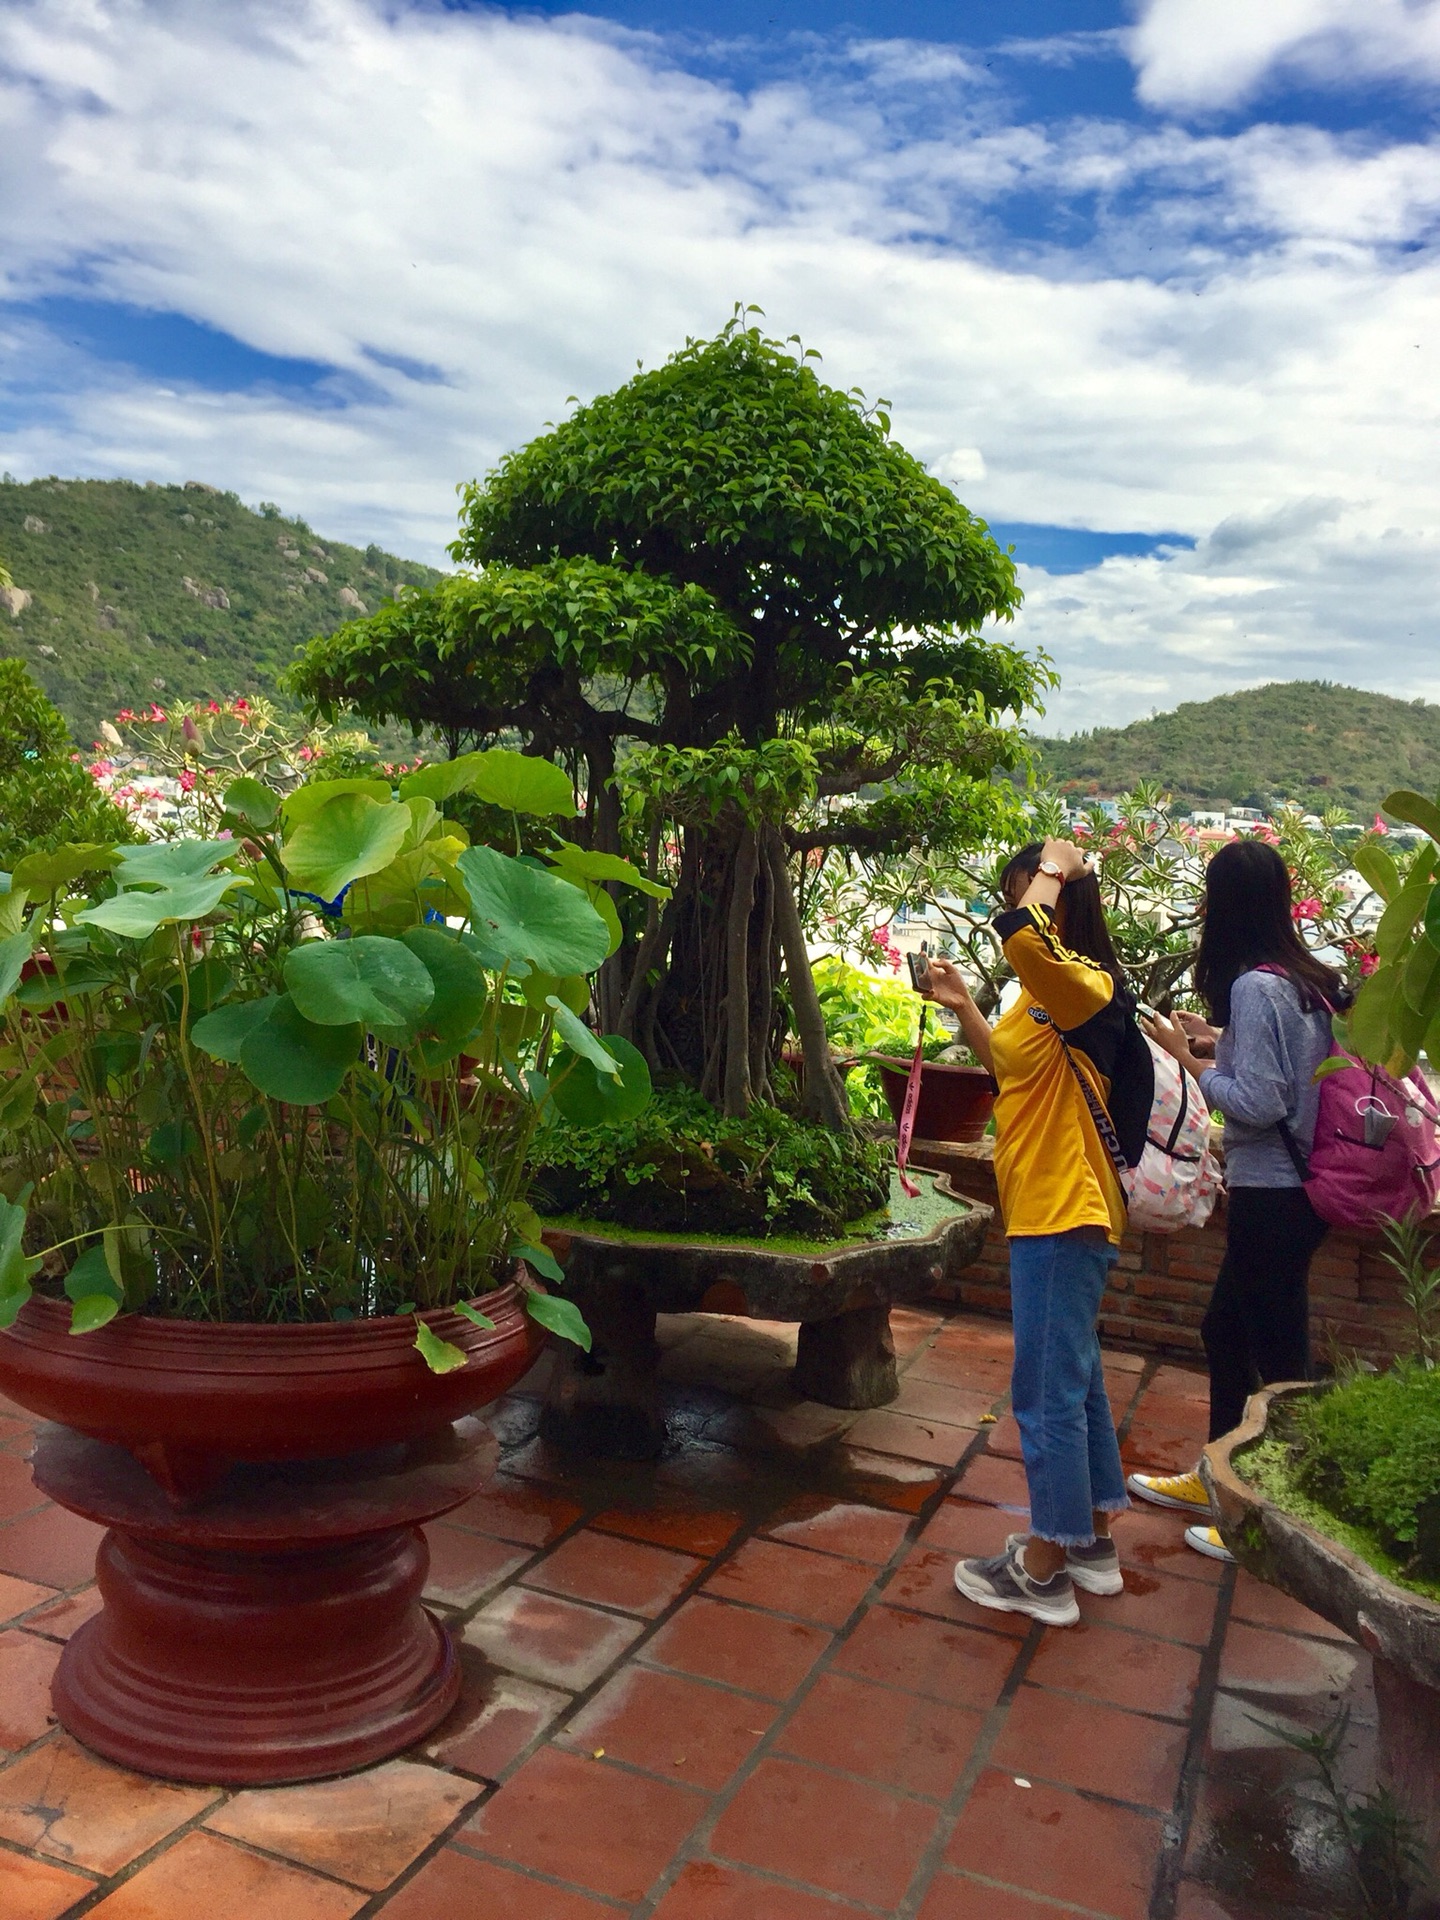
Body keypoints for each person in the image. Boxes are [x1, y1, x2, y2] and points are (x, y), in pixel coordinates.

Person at [922, 836, 1145, 1627]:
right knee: (1074, 1381)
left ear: (1059, 900)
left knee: (1045, 1390)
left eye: (1030, 891)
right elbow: (1015, 1073)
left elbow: (1022, 931)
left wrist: (1054, 867)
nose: (1016, 908)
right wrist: (964, 1007)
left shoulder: (1087, 983)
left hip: (1066, 1207)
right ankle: (1091, 1541)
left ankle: (1043, 1568)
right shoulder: (1042, 996)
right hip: (1049, 1206)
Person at [1130, 837, 1345, 1561]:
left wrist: (1192, 1063)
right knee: (1227, 1332)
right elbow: (1284, 1072)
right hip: (1297, 1191)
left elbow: (1258, 1099)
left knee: (1281, 1362)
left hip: (1272, 1194)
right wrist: (1218, 1042)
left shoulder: (1256, 987)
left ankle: (1272, 1521)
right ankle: (1220, 1475)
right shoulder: (1302, 979)